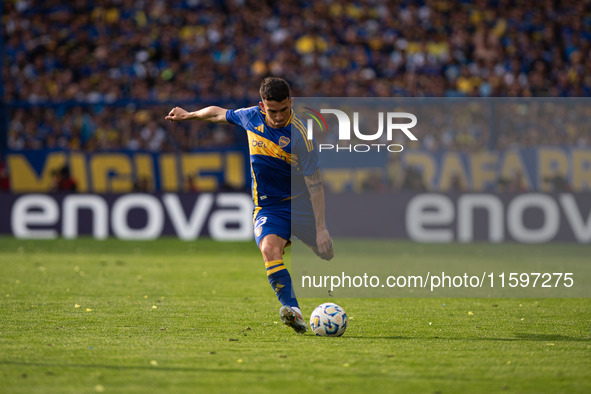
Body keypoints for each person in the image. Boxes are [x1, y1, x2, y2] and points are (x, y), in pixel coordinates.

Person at [165, 77, 334, 334]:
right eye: (272, 111)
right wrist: (190, 115)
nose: (278, 117)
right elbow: (217, 114)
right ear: (262, 106)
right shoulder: (250, 117)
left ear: (291, 103)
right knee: (268, 248)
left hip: (300, 204)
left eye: (283, 110)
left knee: (326, 253)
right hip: (268, 208)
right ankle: (294, 312)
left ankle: (305, 235)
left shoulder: (300, 135)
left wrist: (321, 229)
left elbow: (316, 185)